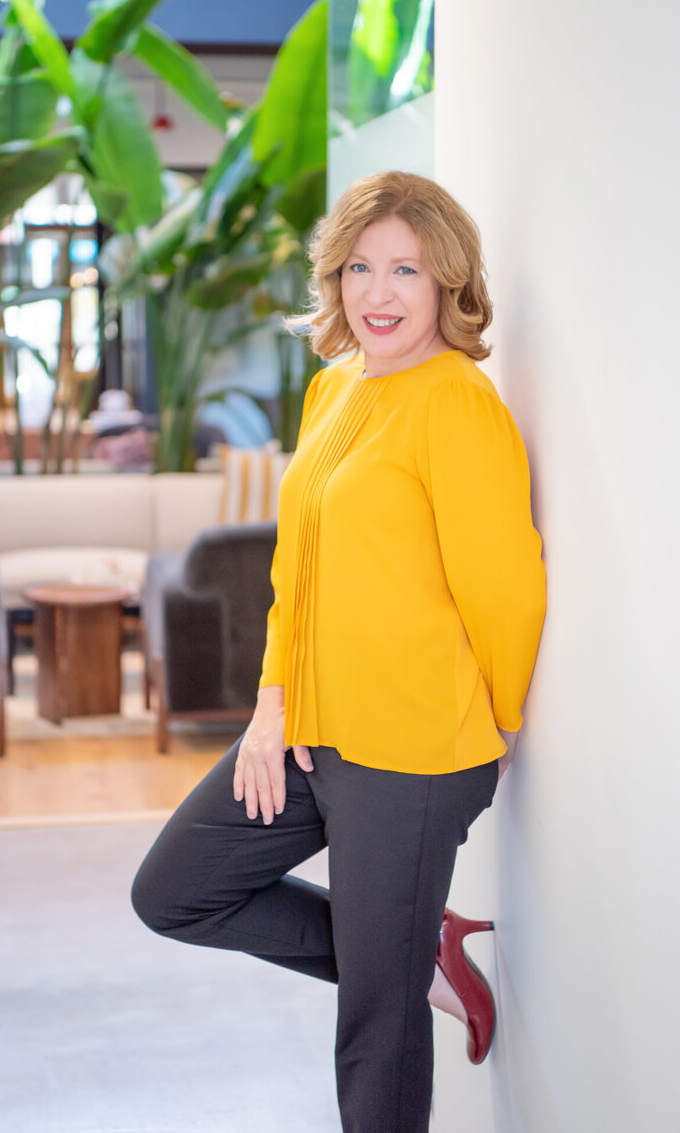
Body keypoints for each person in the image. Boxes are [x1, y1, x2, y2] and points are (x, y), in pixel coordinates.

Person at [132, 171, 547, 1133]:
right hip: (310, 730)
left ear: (449, 280)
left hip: (415, 751)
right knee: (176, 891)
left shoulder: (457, 402)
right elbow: (296, 572)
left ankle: (401, 959)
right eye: (359, 267)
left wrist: (503, 721)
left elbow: (505, 584)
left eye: (405, 267)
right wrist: (272, 706)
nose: (378, 292)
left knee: (375, 1023)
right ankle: (417, 946)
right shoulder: (333, 387)